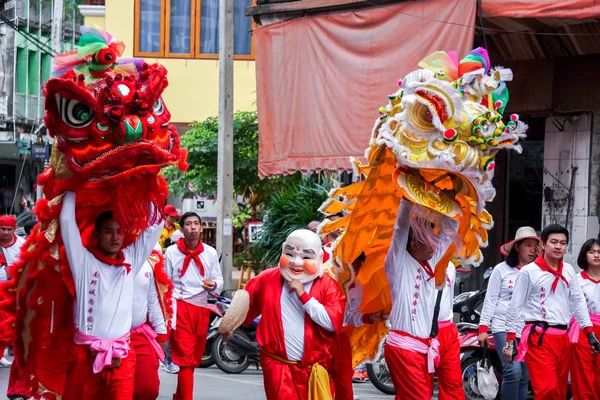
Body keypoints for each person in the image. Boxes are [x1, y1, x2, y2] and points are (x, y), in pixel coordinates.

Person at [60, 191, 164, 400]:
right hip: (86, 357)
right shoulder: (83, 262)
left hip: (122, 357)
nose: (115, 237)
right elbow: (66, 220)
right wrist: (72, 185)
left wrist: (146, 185)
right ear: (96, 234)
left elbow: (156, 223)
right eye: (108, 231)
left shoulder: (131, 259)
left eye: (119, 231)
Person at [219, 229, 345, 400]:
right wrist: (231, 325)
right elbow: (246, 302)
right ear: (282, 251)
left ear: (319, 258)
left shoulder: (328, 286)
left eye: (306, 257)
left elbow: (332, 322)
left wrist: (304, 296)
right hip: (277, 367)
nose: (296, 262)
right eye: (290, 254)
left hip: (313, 370)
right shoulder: (267, 279)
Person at [503, 224, 600, 400]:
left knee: (560, 392)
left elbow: (578, 303)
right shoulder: (529, 272)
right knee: (547, 390)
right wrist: (510, 341)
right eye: (553, 242)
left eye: (562, 243)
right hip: (539, 336)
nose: (558, 246)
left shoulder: (569, 271)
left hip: (564, 337)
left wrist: (589, 333)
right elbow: (515, 306)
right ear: (543, 245)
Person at [383, 199, 457, 400]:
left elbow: (450, 228)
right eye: (429, 240)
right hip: (403, 348)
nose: (435, 245)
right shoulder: (397, 264)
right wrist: (408, 200)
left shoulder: (431, 262)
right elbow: (401, 229)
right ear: (414, 242)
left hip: (423, 349)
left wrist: (448, 200)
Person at [165, 212, 223, 400]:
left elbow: (218, 279)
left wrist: (213, 286)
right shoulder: (172, 253)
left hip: (201, 308)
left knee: (193, 360)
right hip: (179, 307)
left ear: (201, 228)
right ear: (181, 230)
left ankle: (179, 396)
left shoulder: (210, 253)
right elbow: (165, 283)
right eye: (188, 224)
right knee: (185, 360)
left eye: (196, 223)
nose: (193, 227)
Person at [477, 226, 539, 400]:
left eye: (535, 246)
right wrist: (483, 328)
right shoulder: (501, 270)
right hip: (502, 327)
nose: (532, 250)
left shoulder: (537, 273)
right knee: (513, 370)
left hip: (527, 329)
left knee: (525, 375)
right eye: (528, 245)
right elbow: (490, 299)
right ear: (517, 247)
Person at [330, 252, 385, 399]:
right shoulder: (327, 278)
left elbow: (350, 317)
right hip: (319, 337)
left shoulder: (357, 287)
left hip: (340, 338)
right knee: (321, 380)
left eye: (358, 267)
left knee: (344, 381)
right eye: (351, 266)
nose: (354, 271)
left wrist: (370, 317)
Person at [131, 247, 169, 400]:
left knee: (148, 389)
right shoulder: (99, 261)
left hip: (139, 334)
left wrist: (161, 332)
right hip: (109, 338)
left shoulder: (148, 262)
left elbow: (153, 300)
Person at [570, 238, 600, 399]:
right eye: (592, 252)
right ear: (584, 255)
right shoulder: (576, 280)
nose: (596, 255)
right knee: (583, 376)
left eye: (599, 252)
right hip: (583, 330)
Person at [435, 261, 465, 400]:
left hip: (447, 330)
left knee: (453, 384)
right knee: (419, 388)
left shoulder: (451, 267)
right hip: (421, 332)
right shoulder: (414, 262)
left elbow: (449, 299)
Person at [0, 215, 26, 283]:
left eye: (9, 229)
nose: (6, 232)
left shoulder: (23, 244)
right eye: (3, 229)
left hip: (15, 286)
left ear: (15, 229)